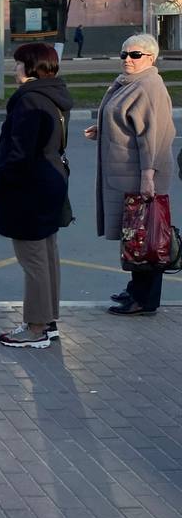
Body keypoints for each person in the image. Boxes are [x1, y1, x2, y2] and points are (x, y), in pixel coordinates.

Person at [85, 33, 175, 316]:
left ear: (151, 58)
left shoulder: (148, 86)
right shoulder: (130, 82)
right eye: (124, 54)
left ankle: (144, 300)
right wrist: (104, 130)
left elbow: (152, 136)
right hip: (127, 173)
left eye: (135, 55)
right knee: (136, 234)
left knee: (147, 235)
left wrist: (148, 176)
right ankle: (136, 289)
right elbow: (128, 120)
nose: (127, 59)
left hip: (141, 174)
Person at [0, 44, 73, 348]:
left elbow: (19, 153)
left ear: (30, 67)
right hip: (50, 183)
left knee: (33, 259)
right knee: (47, 254)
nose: (14, 69)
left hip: (29, 188)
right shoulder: (54, 95)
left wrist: (1, 181)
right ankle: (48, 321)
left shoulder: (29, 101)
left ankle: (36, 328)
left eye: (17, 64)